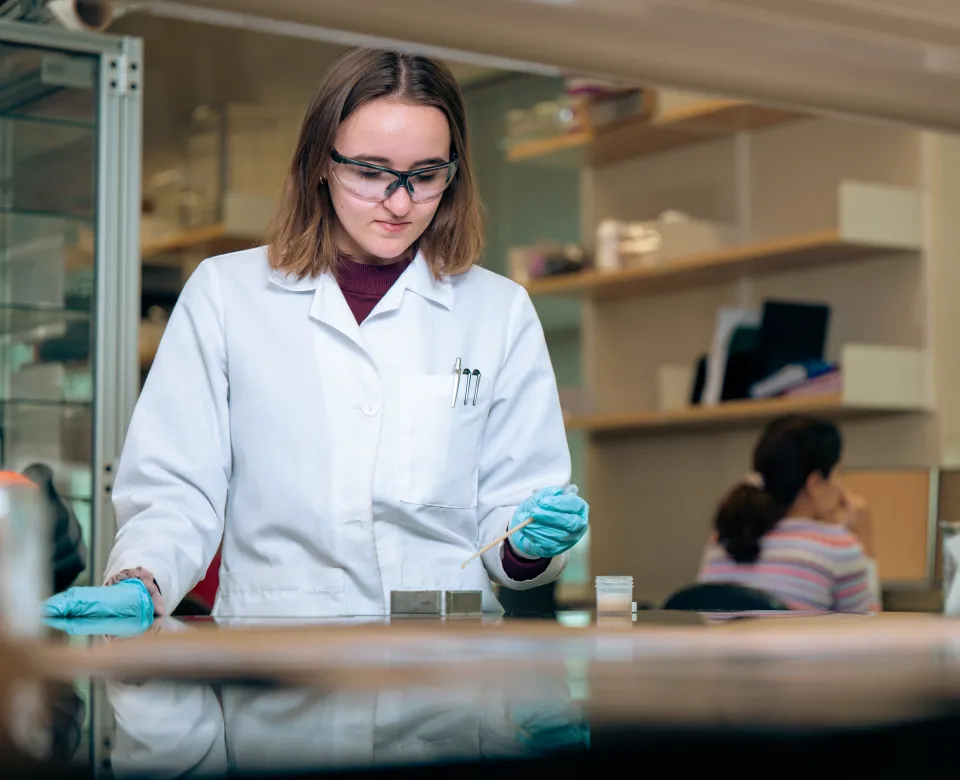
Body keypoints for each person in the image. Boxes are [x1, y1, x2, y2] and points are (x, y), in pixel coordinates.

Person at [50, 48, 588, 619]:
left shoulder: (498, 310)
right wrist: (141, 579)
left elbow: (512, 511)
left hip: (444, 661)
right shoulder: (226, 294)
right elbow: (178, 489)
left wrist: (529, 543)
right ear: (320, 163)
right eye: (371, 173)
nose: (400, 202)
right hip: (278, 653)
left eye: (426, 176)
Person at [697, 415, 880, 613]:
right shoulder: (838, 546)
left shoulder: (724, 534)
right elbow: (867, 629)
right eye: (839, 474)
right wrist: (865, 544)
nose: (843, 489)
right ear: (816, 484)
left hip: (720, 645)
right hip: (793, 645)